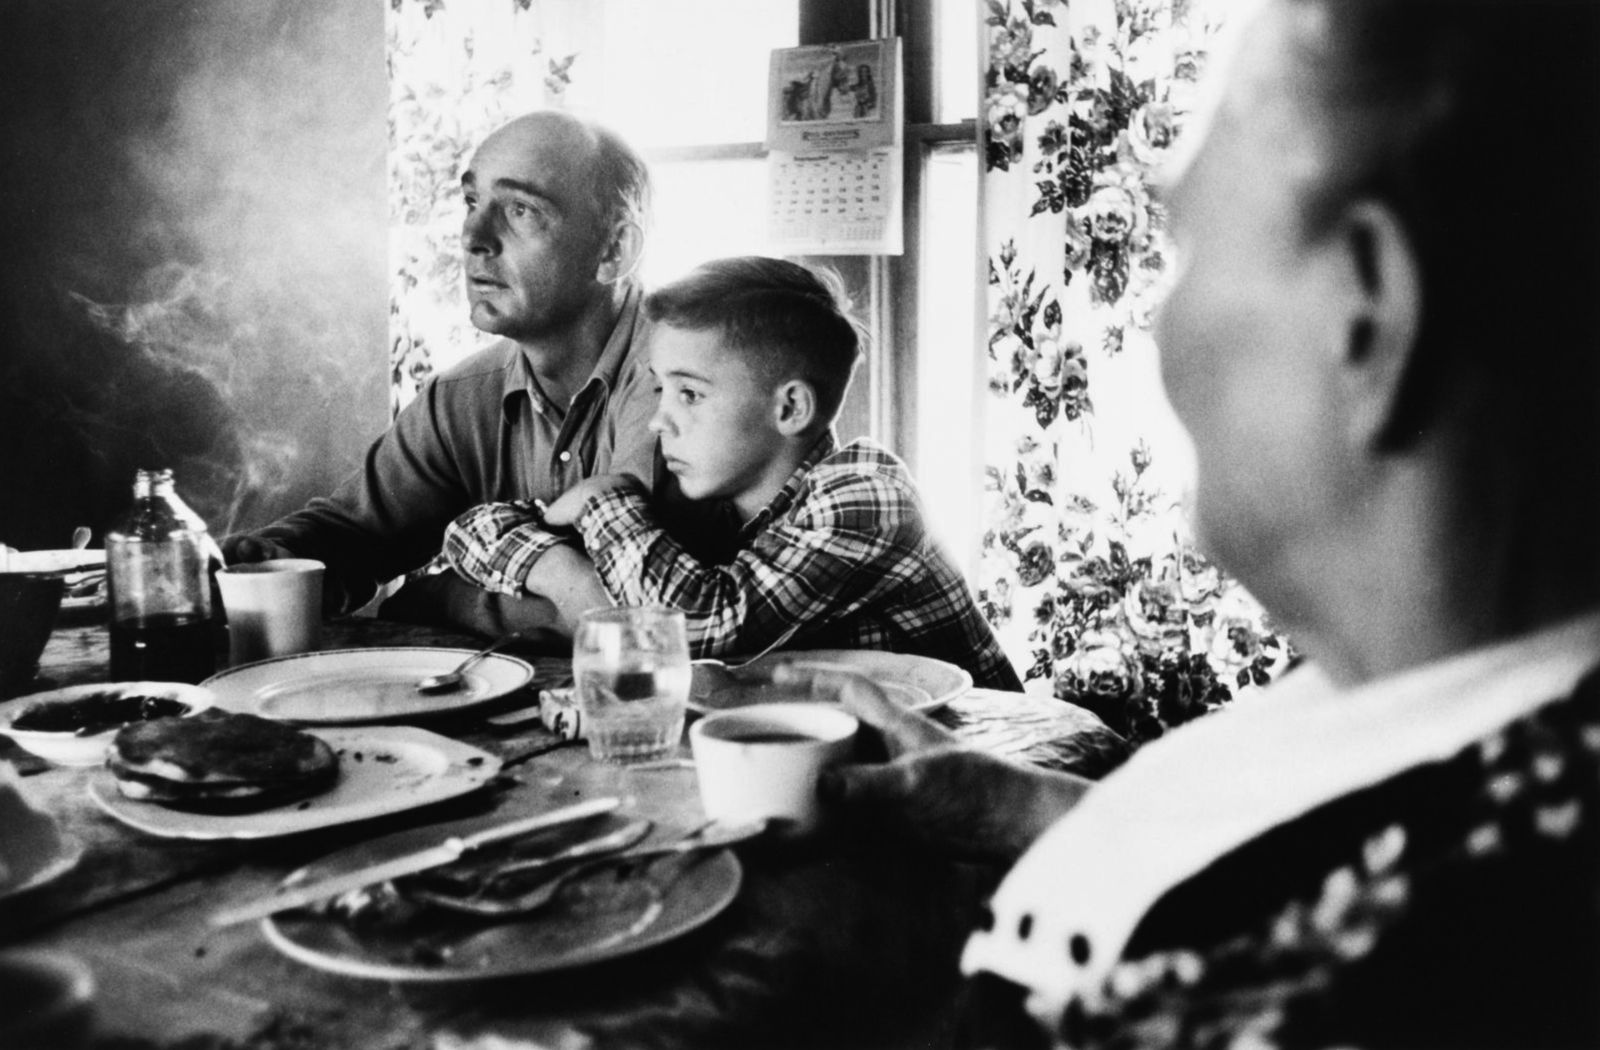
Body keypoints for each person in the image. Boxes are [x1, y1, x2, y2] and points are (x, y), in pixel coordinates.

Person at [779, 1, 1600, 1046]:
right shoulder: (1456, 685)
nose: (1161, 332)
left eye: (1188, 245)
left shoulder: (1300, 990)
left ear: (1367, 310)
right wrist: (1014, 809)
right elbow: (1311, 844)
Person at [443, 256, 1023, 691]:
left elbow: (701, 632)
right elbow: (469, 533)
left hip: (987, 769)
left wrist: (602, 504)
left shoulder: (865, 493)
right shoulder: (709, 494)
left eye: (690, 393)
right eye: (660, 388)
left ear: (790, 409)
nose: (657, 422)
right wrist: (559, 569)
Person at [221, 112, 652, 639]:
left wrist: (438, 600)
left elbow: (630, 614)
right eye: (472, 202)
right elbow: (357, 533)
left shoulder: (682, 385)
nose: (473, 236)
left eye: (520, 209)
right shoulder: (464, 397)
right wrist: (269, 556)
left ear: (613, 250)